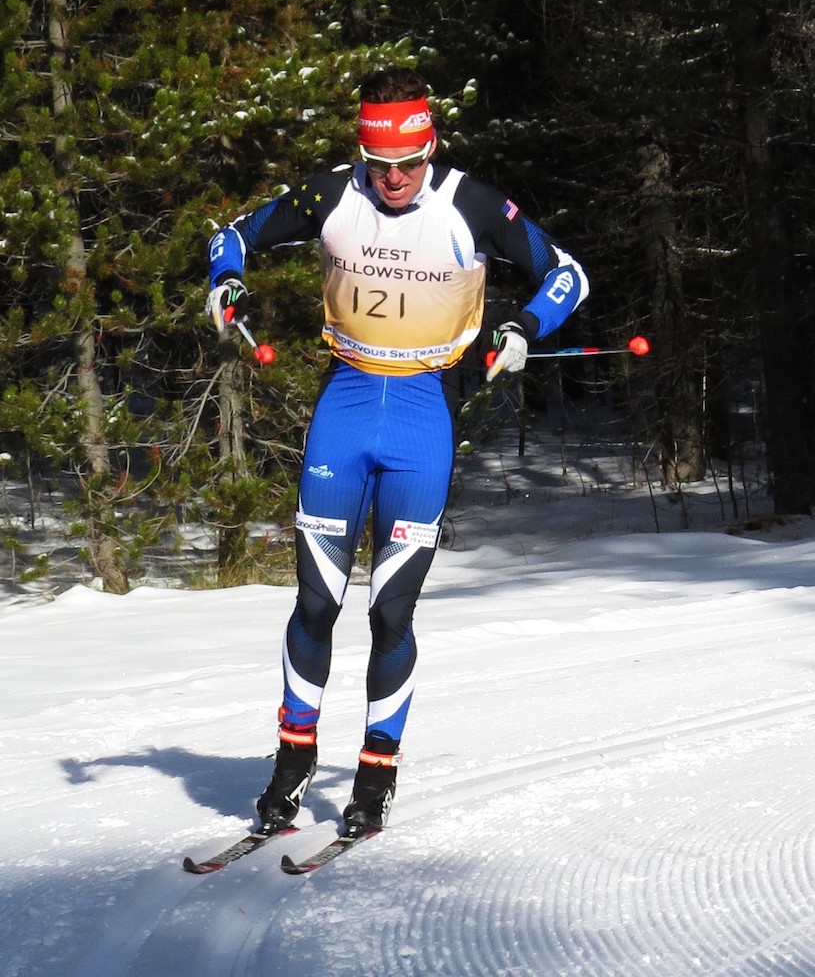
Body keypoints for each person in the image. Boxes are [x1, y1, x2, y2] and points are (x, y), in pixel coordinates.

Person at [205, 67, 589, 837]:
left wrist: (520, 331)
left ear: (429, 146)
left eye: (408, 164)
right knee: (316, 602)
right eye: (379, 165)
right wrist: (226, 283)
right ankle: (292, 760)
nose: (393, 180)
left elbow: (567, 274)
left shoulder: (472, 204)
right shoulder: (330, 195)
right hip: (344, 407)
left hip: (423, 415)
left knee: (391, 610)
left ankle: (375, 774)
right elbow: (233, 234)